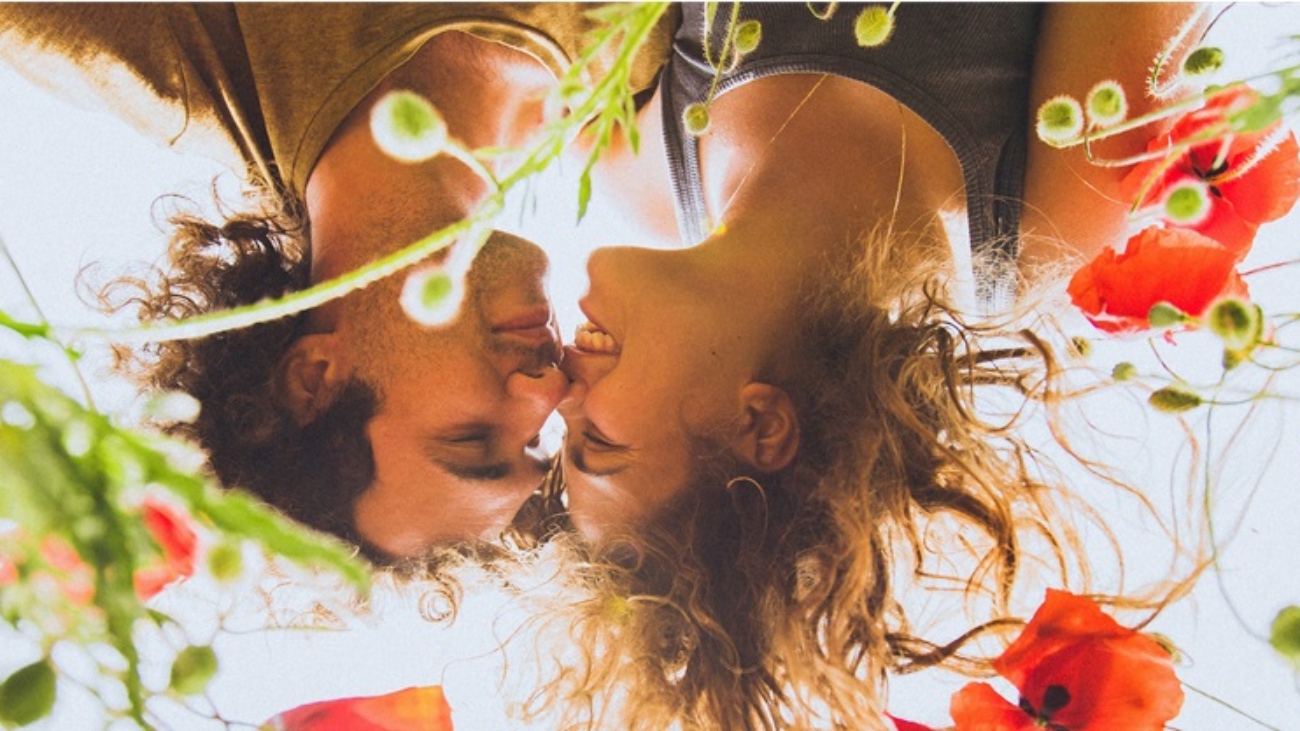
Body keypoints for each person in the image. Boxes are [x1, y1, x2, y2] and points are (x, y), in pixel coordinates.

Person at [534, 3, 1205, 728]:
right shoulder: (1048, 219)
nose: (560, 391)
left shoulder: (617, 162)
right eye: (595, 441)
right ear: (759, 422)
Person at [0, 5, 675, 561]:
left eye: (470, 440)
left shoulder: (171, 52)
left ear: (314, 376)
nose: (550, 389)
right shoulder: (646, 115)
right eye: (536, 443)